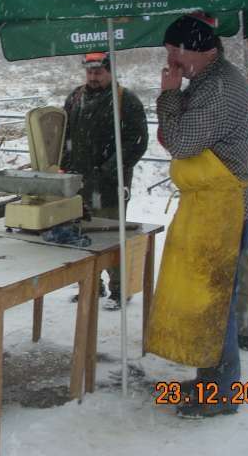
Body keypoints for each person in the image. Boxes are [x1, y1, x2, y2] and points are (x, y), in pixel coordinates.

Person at [149, 14, 248, 418]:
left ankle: (223, 393)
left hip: (227, 209)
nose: (172, 63)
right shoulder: (212, 80)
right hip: (215, 205)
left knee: (219, 303)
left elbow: (181, 142)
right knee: (210, 299)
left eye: (174, 54)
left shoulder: (218, 89)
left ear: (197, 50)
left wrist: (169, 95)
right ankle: (210, 379)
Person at [61, 51, 148, 310]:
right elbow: (64, 135)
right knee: (80, 236)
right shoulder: (75, 97)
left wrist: (109, 169)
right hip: (77, 182)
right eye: (89, 71)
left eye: (98, 72)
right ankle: (89, 284)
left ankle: (119, 290)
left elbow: (138, 141)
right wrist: (63, 166)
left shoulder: (125, 100)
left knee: (110, 238)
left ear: (110, 72)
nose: (93, 76)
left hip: (110, 184)